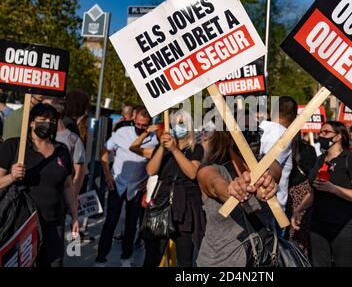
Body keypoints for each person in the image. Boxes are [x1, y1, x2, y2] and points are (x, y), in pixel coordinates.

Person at [0, 103, 79, 266]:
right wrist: (12, 177)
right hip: (21, 225)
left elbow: (67, 186)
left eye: (52, 121)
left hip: (54, 223)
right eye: (42, 119)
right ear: (31, 122)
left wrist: (74, 215)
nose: (47, 124)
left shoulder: (61, 150)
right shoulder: (14, 146)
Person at [196, 131, 281, 267]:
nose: (252, 135)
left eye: (255, 130)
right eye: (245, 130)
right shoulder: (209, 170)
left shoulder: (268, 164)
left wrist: (266, 181)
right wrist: (231, 189)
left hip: (264, 261)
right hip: (220, 263)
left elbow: (273, 172)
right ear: (229, 138)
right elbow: (215, 184)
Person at [291, 121, 352, 267]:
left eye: (325, 132)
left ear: (338, 137)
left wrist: (334, 189)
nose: (321, 135)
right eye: (320, 132)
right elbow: (314, 192)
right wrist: (298, 210)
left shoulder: (351, 159)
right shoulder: (320, 160)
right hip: (319, 226)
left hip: (345, 227)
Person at [95, 107, 158, 267]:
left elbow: (156, 162)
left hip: (137, 186)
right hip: (118, 182)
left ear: (149, 124)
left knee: (131, 224)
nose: (140, 127)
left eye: (144, 125)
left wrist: (148, 180)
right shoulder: (122, 132)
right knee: (111, 221)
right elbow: (104, 150)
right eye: (137, 123)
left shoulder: (154, 138)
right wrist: (107, 174)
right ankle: (101, 258)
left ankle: (126, 257)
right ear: (134, 118)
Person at [143, 109, 205, 267]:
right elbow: (151, 170)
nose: (178, 126)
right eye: (175, 123)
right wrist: (163, 148)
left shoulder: (196, 149)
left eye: (182, 123)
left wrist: (175, 150)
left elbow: (192, 173)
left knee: (184, 260)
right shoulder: (161, 147)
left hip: (185, 208)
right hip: (162, 204)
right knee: (152, 258)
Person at [259, 96, 297, 213]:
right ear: (294, 117)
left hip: (256, 200)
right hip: (272, 205)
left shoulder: (259, 129)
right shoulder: (282, 136)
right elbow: (270, 168)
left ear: (271, 112)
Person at [43, 97, 86, 196]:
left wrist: (72, 199)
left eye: (46, 107)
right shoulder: (40, 135)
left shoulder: (73, 140)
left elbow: (79, 173)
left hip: (60, 199)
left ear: (57, 111)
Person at [286, 134, 317, 257]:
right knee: (299, 234)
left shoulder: (304, 150)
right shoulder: (308, 149)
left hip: (299, 194)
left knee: (296, 233)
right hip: (300, 192)